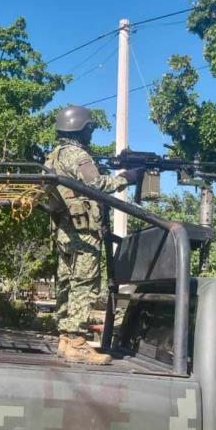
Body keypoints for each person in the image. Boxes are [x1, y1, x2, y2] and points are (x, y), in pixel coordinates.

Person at [45, 105, 141, 364]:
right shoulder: (77, 155)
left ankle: (66, 338)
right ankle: (76, 342)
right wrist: (126, 179)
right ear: (82, 128)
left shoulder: (54, 156)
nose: (91, 134)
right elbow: (96, 185)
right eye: (90, 129)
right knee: (84, 283)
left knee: (67, 283)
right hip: (82, 232)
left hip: (65, 231)